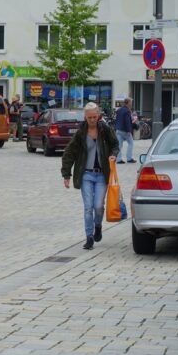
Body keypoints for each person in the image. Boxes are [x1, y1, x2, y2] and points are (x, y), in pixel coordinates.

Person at [61, 102, 119, 250]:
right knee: (88, 207)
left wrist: (113, 155)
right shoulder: (80, 132)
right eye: (89, 117)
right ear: (85, 117)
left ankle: (98, 226)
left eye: (95, 117)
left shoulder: (104, 129)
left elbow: (115, 145)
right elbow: (69, 153)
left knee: (98, 206)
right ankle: (89, 237)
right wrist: (66, 174)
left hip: (101, 175)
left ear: (98, 115)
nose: (92, 120)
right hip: (86, 174)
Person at [115, 98, 135, 164]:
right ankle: (129, 158)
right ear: (128, 103)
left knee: (119, 146)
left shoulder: (119, 110)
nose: (131, 104)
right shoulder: (127, 111)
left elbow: (117, 119)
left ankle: (118, 160)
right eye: (131, 102)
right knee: (131, 143)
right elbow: (127, 122)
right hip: (125, 130)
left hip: (118, 130)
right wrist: (129, 131)